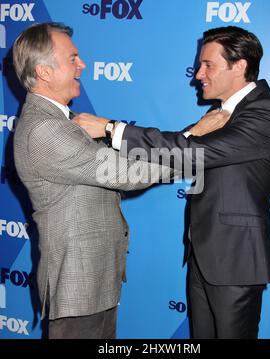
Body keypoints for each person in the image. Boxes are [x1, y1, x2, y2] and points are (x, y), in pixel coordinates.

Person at [74, 26, 270, 339]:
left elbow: (192, 151)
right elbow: (175, 150)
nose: (198, 74)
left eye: (208, 65)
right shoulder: (221, 114)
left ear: (239, 66)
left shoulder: (263, 111)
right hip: (203, 255)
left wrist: (111, 128)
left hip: (235, 261)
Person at [12, 22, 194, 339]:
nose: (82, 64)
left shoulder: (62, 121)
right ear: (44, 72)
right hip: (77, 287)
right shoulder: (45, 129)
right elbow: (126, 173)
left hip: (93, 283)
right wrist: (194, 143)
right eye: (73, 58)